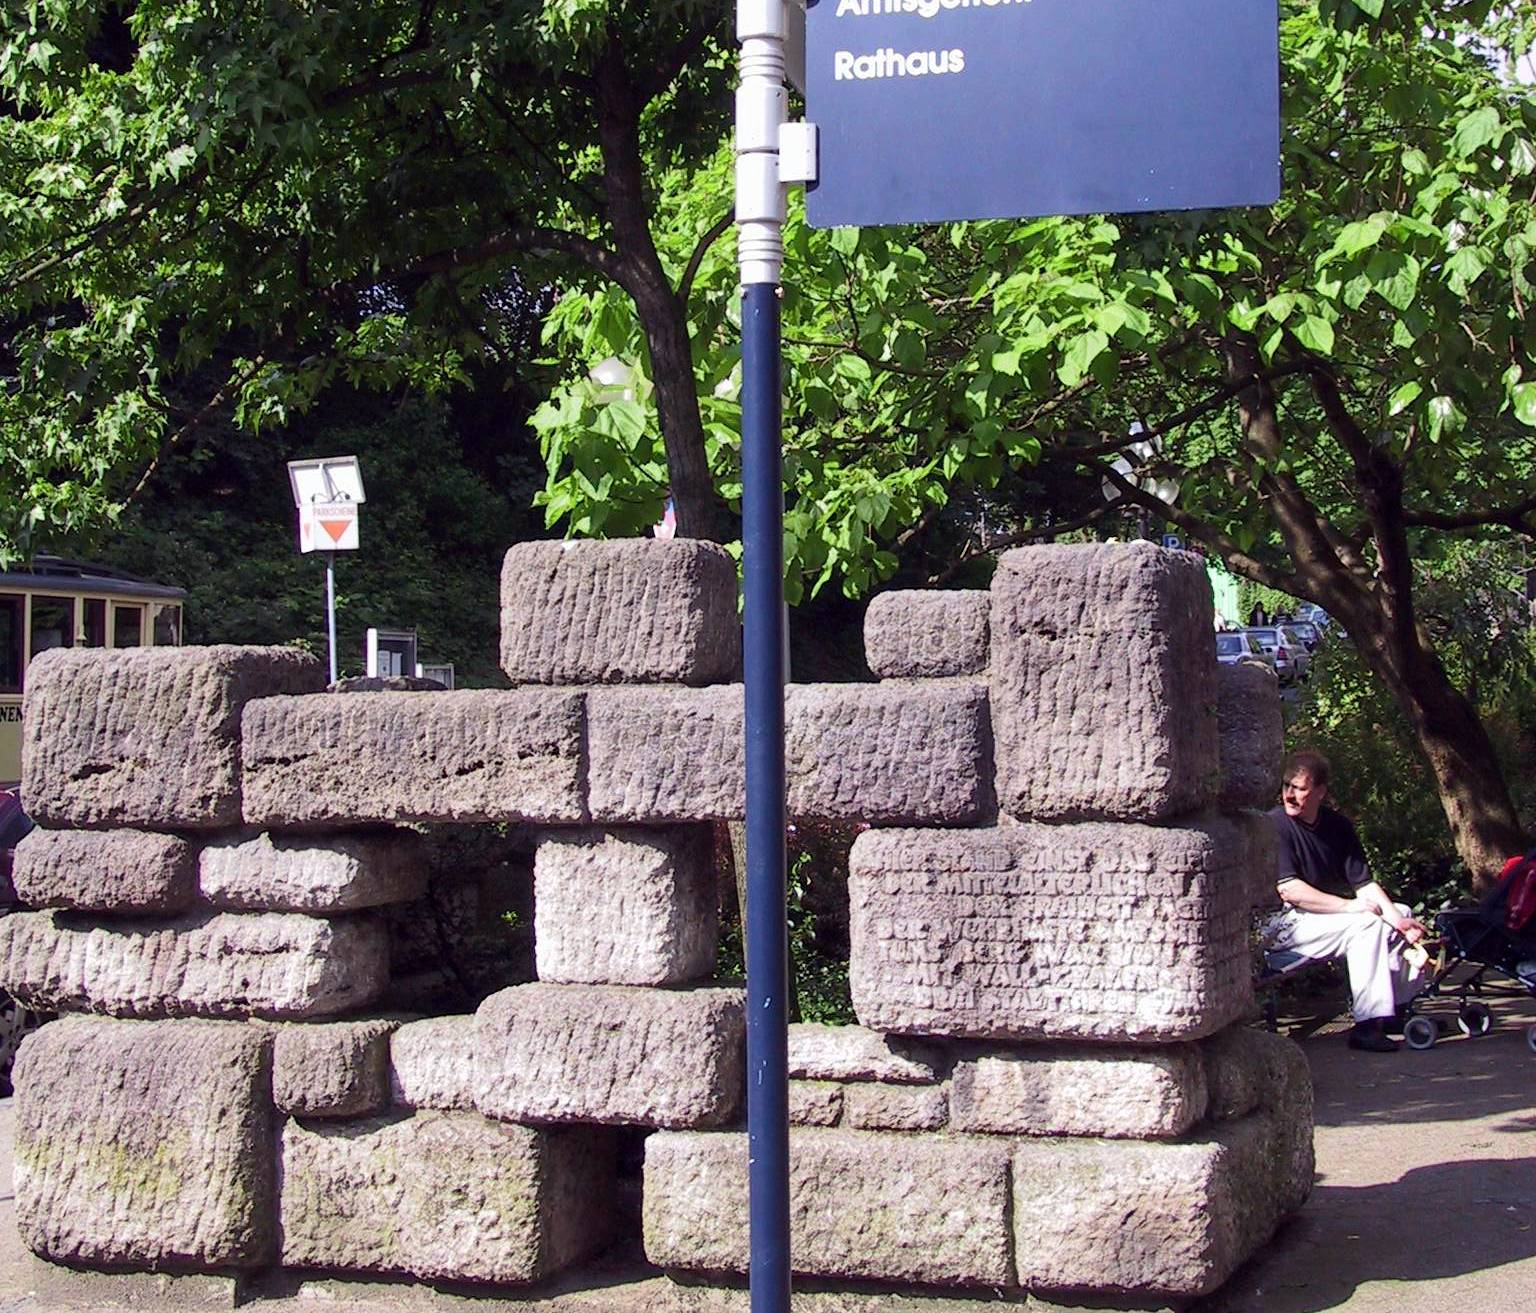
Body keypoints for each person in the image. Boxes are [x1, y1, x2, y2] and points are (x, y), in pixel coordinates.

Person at [1265, 749, 1429, 1052]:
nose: (1289, 795)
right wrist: (1349, 907)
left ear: (1320, 792)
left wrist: (1400, 922)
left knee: (1399, 914)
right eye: (1286, 786)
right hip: (1281, 924)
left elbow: (1364, 885)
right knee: (1367, 924)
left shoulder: (1337, 826)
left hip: (1319, 920)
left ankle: (1394, 1010)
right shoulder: (1275, 825)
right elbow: (1290, 891)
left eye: (1299, 788)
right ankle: (1367, 1027)